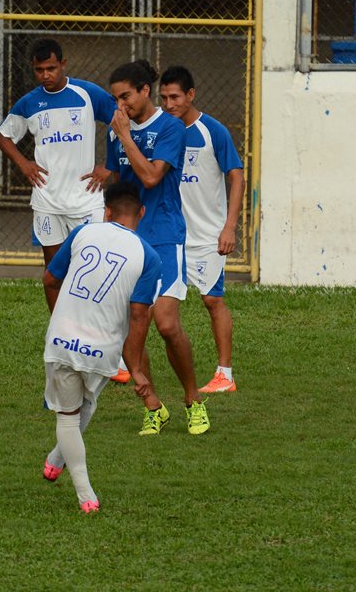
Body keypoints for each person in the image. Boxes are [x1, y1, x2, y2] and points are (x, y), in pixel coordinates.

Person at [41, 181, 163, 513]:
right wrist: (136, 369)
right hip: (103, 348)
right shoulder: (148, 257)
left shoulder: (82, 233)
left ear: (106, 211)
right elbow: (139, 315)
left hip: (62, 341)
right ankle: (85, 494)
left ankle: (57, 458)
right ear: (141, 213)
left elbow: (50, 279)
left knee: (69, 416)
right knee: (87, 405)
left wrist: (61, 316)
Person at [107, 59, 209, 436]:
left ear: (144, 91)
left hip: (164, 236)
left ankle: (193, 399)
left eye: (126, 96)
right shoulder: (117, 130)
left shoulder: (170, 126)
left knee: (166, 324)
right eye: (116, 99)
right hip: (128, 240)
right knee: (131, 332)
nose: (121, 105)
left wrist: (126, 136)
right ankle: (153, 406)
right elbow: (119, 185)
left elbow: (150, 177)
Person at [0, 38, 118, 269]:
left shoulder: (87, 93)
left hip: (86, 199)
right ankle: (59, 308)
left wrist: (110, 165)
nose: (45, 75)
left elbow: (120, 121)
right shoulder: (28, 103)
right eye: (39, 70)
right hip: (47, 200)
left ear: (63, 64)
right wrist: (23, 163)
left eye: (51, 68)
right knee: (54, 269)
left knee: (93, 266)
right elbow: (2, 136)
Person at [157, 65, 245, 394]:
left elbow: (236, 175)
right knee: (146, 303)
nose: (169, 104)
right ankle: (124, 366)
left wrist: (230, 227)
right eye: (163, 97)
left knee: (212, 300)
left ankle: (225, 374)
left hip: (207, 237)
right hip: (170, 234)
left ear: (191, 95)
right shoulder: (162, 131)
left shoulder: (212, 131)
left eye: (175, 97)